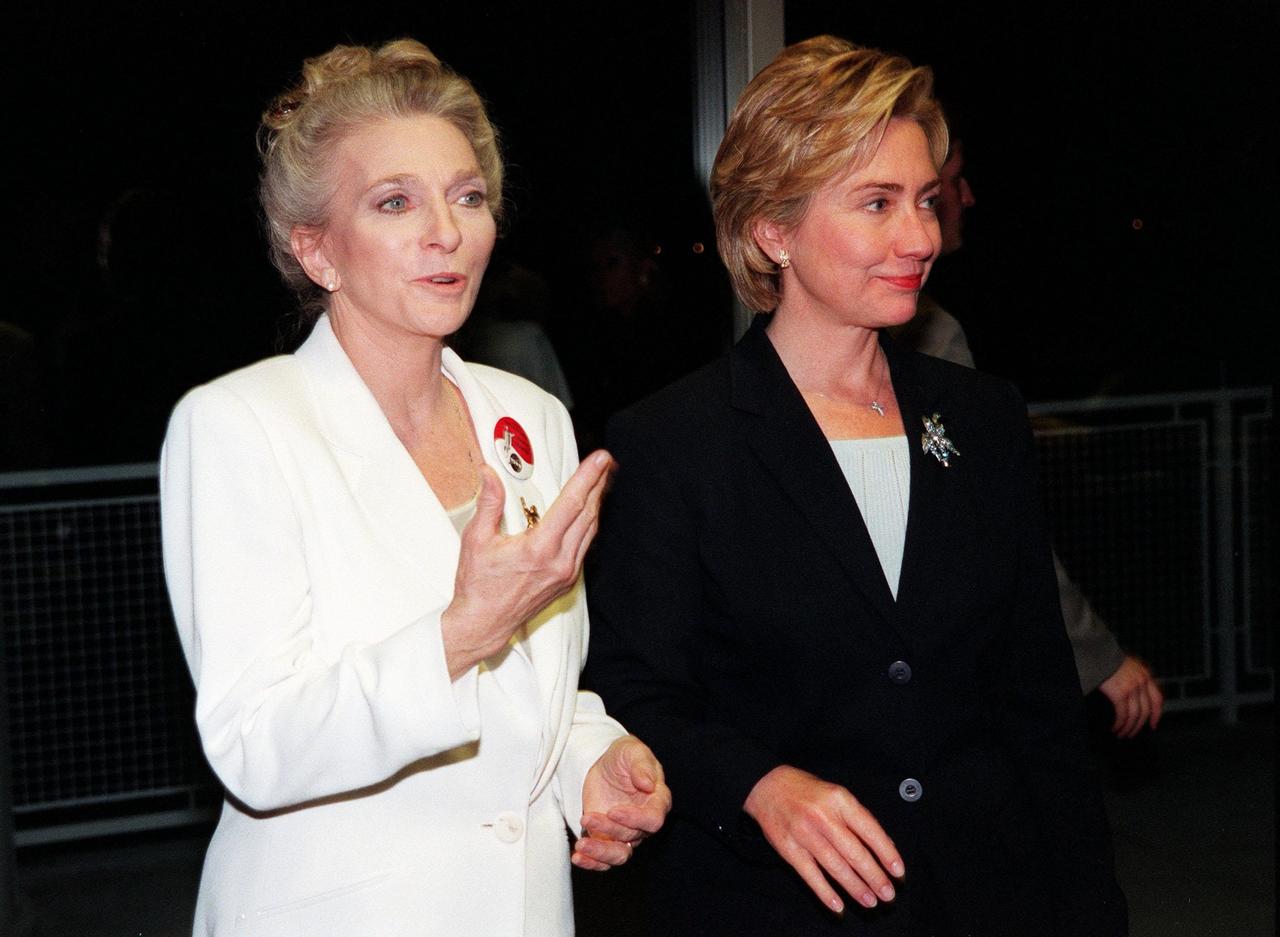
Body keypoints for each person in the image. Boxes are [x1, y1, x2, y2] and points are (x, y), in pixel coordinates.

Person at [584, 36, 1127, 936]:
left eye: (922, 199)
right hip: (776, 907)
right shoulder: (676, 442)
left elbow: (1038, 709)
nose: (920, 236)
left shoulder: (981, 419)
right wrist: (756, 783)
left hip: (990, 898)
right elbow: (636, 695)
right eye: (876, 203)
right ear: (773, 229)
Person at [159, 38, 669, 937]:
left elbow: (534, 682)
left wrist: (588, 756)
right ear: (315, 248)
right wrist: (463, 628)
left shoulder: (531, 417)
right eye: (396, 201)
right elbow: (257, 742)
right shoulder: (240, 424)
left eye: (466, 196)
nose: (447, 230)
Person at [891, 137, 1164, 740]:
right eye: (943, 189)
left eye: (931, 198)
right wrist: (1099, 657)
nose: (964, 199)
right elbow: (991, 516)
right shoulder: (930, 338)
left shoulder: (927, 329)